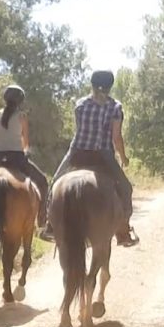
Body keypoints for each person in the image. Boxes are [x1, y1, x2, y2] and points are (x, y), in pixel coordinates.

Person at [39, 71, 139, 246]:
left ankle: (50, 225)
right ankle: (123, 230)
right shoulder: (115, 107)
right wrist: (124, 157)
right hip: (103, 155)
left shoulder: (80, 104)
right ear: (110, 86)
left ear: (92, 85)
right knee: (125, 188)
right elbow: (116, 137)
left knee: (55, 183)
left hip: (77, 152)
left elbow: (80, 130)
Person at [0, 85, 49, 227]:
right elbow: (26, 141)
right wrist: (25, 149)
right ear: (20, 101)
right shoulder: (22, 116)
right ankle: (42, 219)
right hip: (17, 158)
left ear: (5, 98)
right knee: (43, 182)